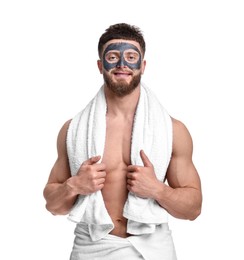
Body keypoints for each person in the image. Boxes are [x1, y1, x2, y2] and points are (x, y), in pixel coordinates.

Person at [43, 23, 202, 260]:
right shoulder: (73, 130)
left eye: (130, 57)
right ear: (100, 65)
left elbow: (193, 209)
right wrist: (75, 185)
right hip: (92, 249)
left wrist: (157, 189)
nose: (122, 65)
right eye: (113, 57)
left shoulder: (173, 131)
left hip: (152, 249)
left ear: (143, 65)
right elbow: (53, 206)